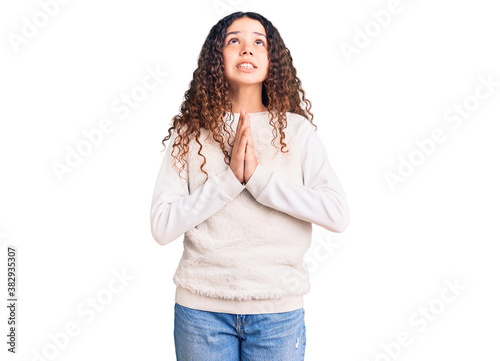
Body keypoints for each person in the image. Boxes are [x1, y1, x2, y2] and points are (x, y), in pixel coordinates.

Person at [150, 11, 350, 361]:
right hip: (201, 312)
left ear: (273, 60)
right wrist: (229, 181)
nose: (247, 49)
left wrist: (259, 181)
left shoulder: (296, 131)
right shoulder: (189, 133)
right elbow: (162, 226)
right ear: (216, 57)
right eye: (234, 41)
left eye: (259, 41)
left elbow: (337, 214)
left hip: (277, 313)